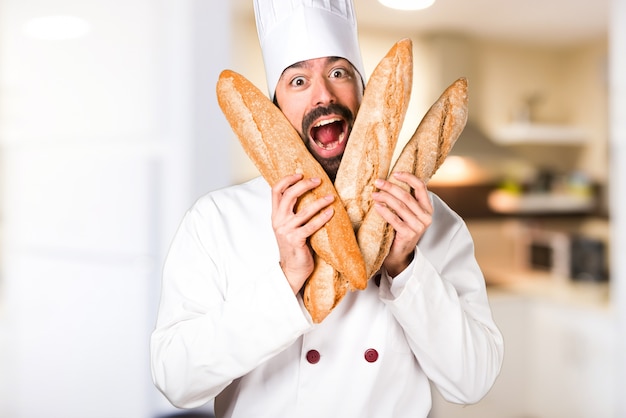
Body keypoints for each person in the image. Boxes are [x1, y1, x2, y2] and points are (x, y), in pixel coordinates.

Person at [150, 0, 504, 417]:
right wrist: (287, 279)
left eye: (338, 73)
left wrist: (405, 269)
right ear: (277, 108)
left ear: (366, 95)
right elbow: (175, 380)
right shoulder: (216, 220)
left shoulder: (431, 220)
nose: (323, 94)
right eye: (298, 81)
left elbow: (473, 381)